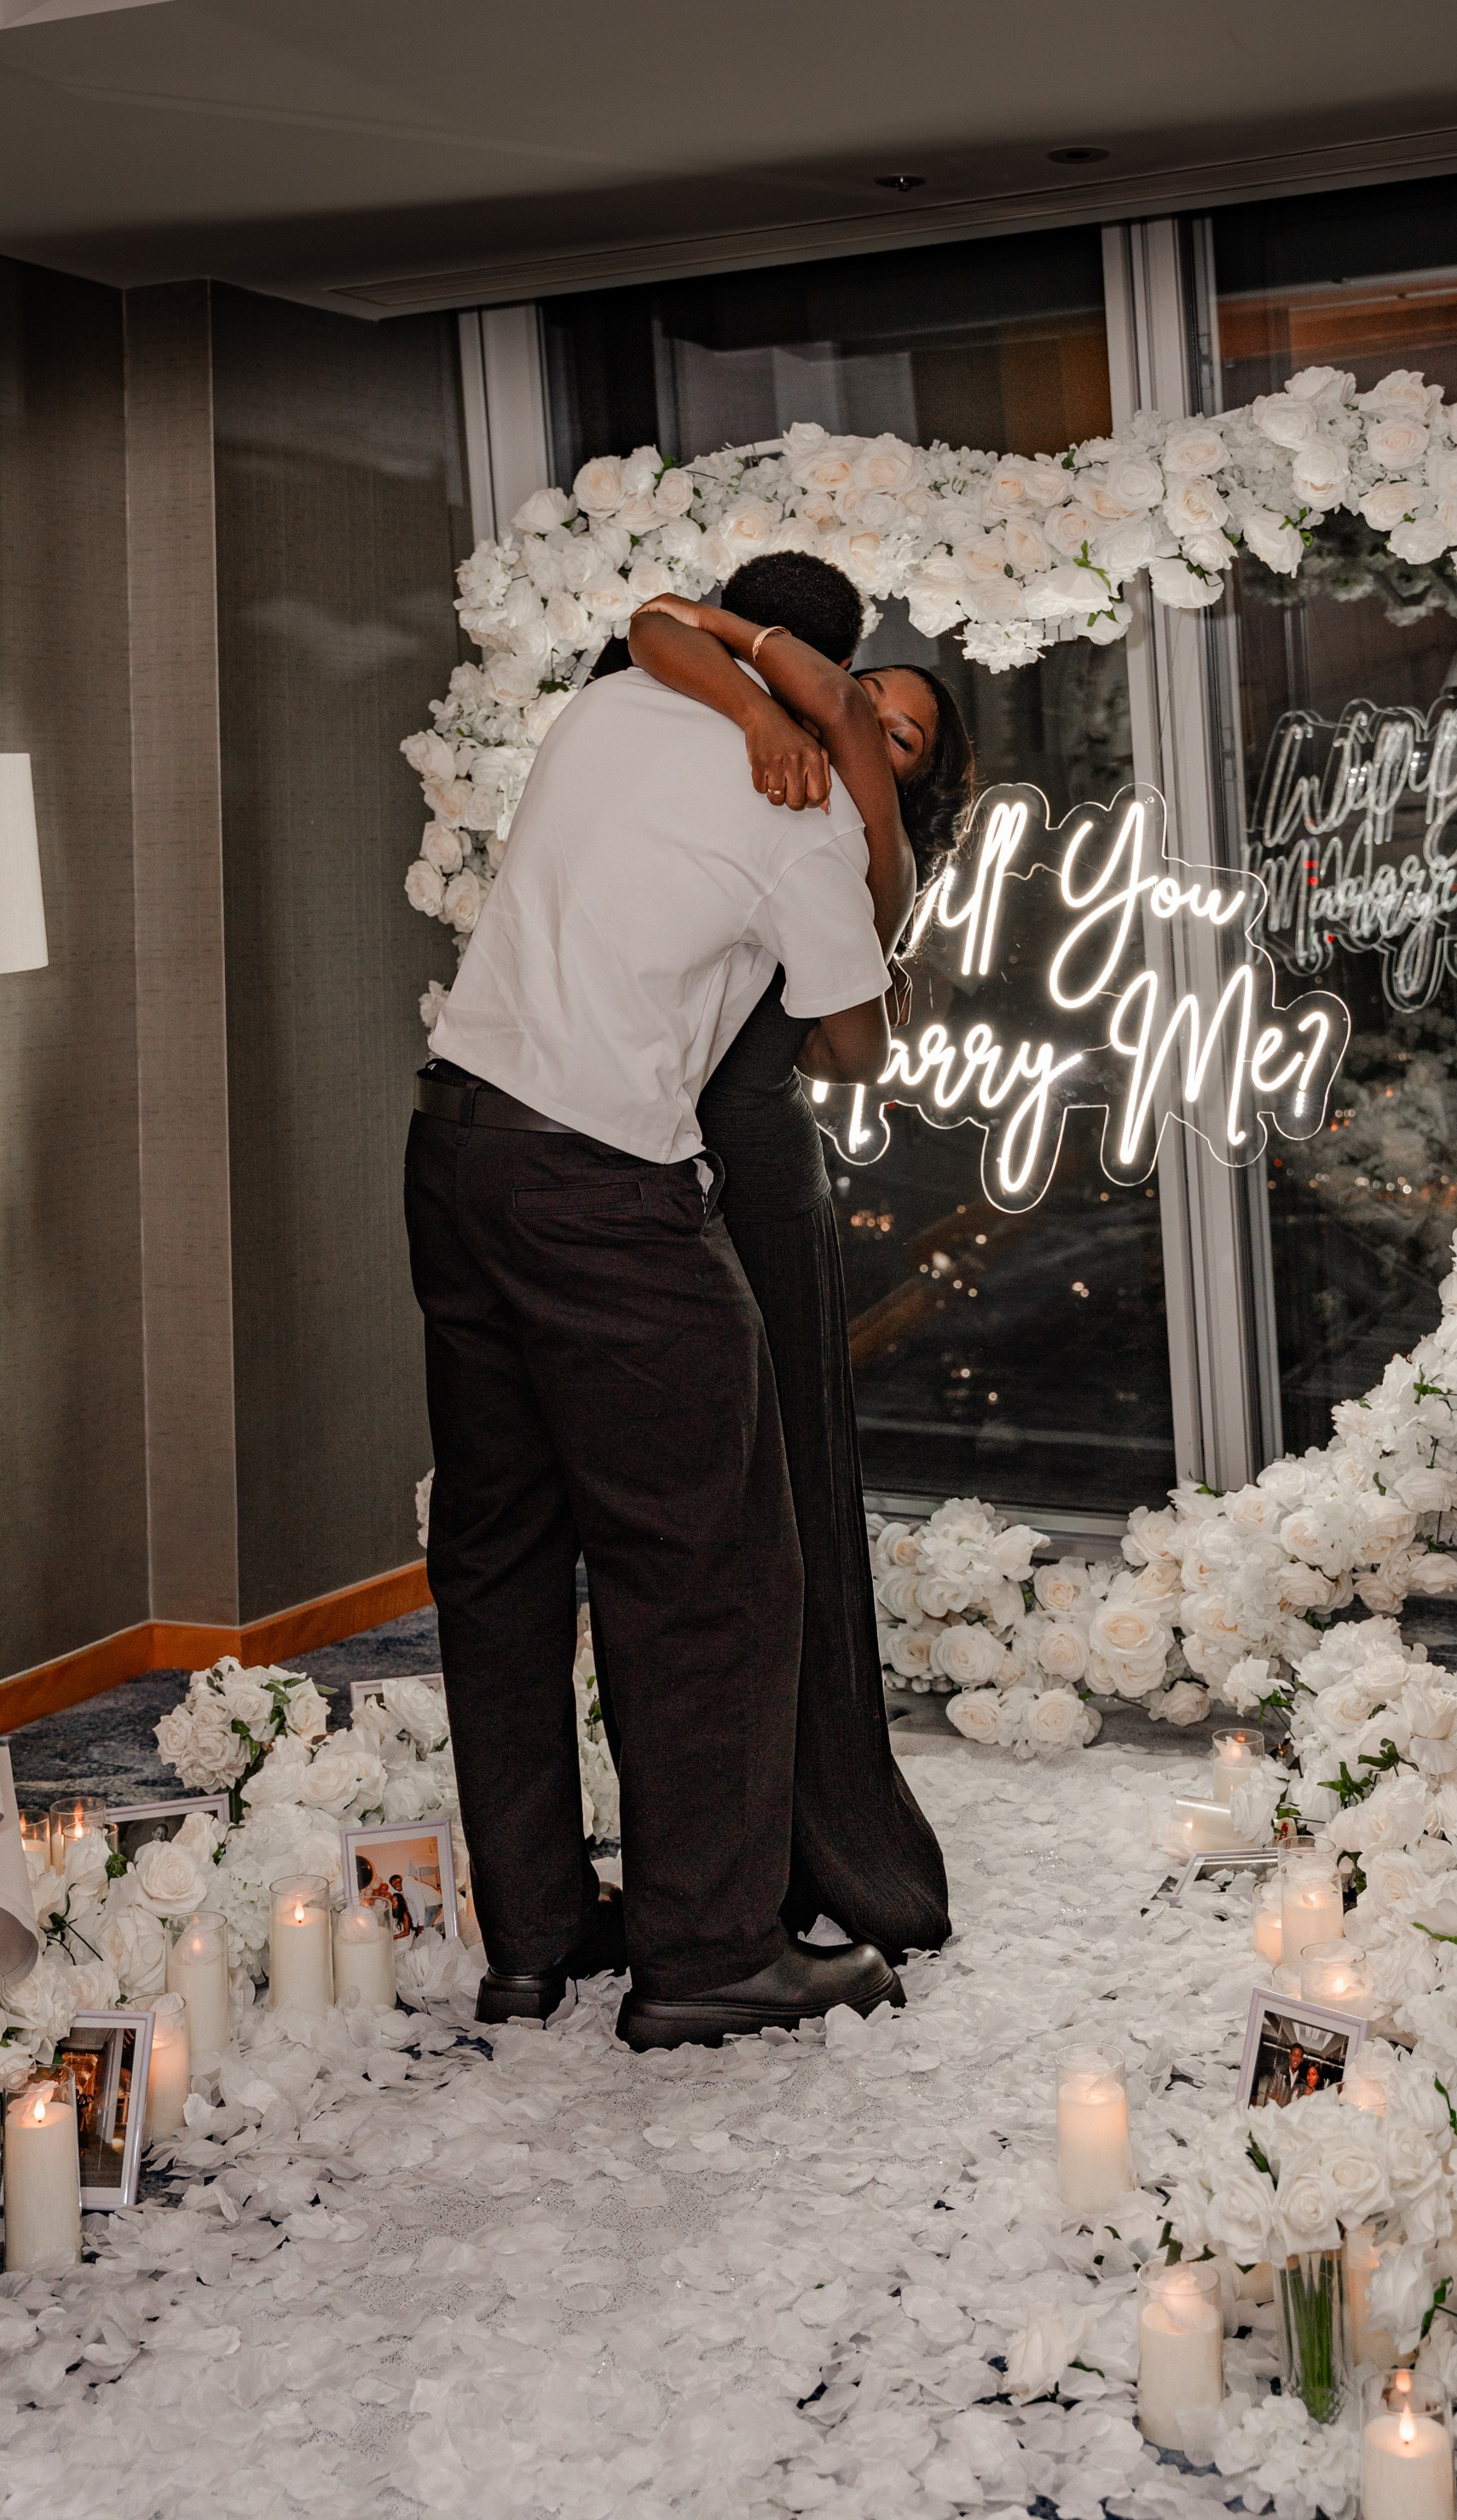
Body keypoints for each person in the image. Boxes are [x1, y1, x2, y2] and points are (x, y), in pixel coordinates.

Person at [407, 570, 914, 2048]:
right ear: (843, 680)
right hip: (604, 1186)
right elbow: (854, 1043)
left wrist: (760, 680)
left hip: (454, 1143)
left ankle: (535, 1938)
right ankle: (705, 1952)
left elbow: (649, 615)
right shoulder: (805, 812)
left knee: (499, 1550)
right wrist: (857, 802)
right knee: (715, 1563)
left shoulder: (607, 706)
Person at [627, 561, 974, 1959]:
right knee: (702, 1507)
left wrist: (825, 735)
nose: (861, 731)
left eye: (895, 735)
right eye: (860, 703)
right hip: (645, 1147)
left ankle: (814, 1829)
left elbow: (847, 1043)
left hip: (757, 1172)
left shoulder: (865, 849)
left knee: (787, 1500)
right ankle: (720, 1840)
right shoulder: (746, 773)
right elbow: (652, 626)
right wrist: (777, 692)